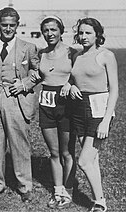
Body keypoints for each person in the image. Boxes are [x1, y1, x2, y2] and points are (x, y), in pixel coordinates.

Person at [0, 7, 39, 202]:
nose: (8, 29)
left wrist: (24, 84)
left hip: (16, 99)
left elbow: (38, 72)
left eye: (12, 25)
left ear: (17, 25)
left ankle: (24, 185)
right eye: (4, 25)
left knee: (19, 143)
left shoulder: (27, 47)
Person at [70, 18, 118, 212]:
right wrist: (70, 85)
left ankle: (100, 202)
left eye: (88, 33)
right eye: (81, 33)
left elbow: (114, 90)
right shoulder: (77, 56)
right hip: (79, 108)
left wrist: (106, 121)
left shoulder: (106, 55)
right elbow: (73, 77)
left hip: (99, 109)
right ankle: (100, 201)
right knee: (92, 160)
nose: (83, 37)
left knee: (84, 160)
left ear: (97, 34)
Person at [31, 15, 77, 209]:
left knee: (67, 152)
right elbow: (38, 75)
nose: (49, 34)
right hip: (47, 103)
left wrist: (70, 83)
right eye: (46, 30)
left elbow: (81, 75)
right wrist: (33, 75)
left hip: (67, 104)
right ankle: (57, 190)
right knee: (54, 152)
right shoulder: (41, 53)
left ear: (61, 31)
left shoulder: (72, 53)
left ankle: (68, 191)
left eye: (53, 30)